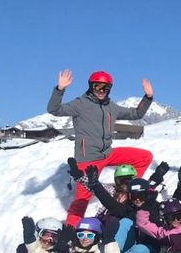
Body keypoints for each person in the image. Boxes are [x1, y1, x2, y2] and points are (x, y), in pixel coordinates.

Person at [47, 70, 154, 226]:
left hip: (108, 153)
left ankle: (125, 190)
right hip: (88, 159)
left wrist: (148, 97)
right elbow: (54, 109)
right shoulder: (80, 104)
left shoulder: (111, 106)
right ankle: (70, 231)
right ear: (91, 86)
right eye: (98, 87)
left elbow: (136, 114)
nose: (102, 91)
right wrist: (60, 89)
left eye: (106, 88)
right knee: (82, 199)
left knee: (144, 157)